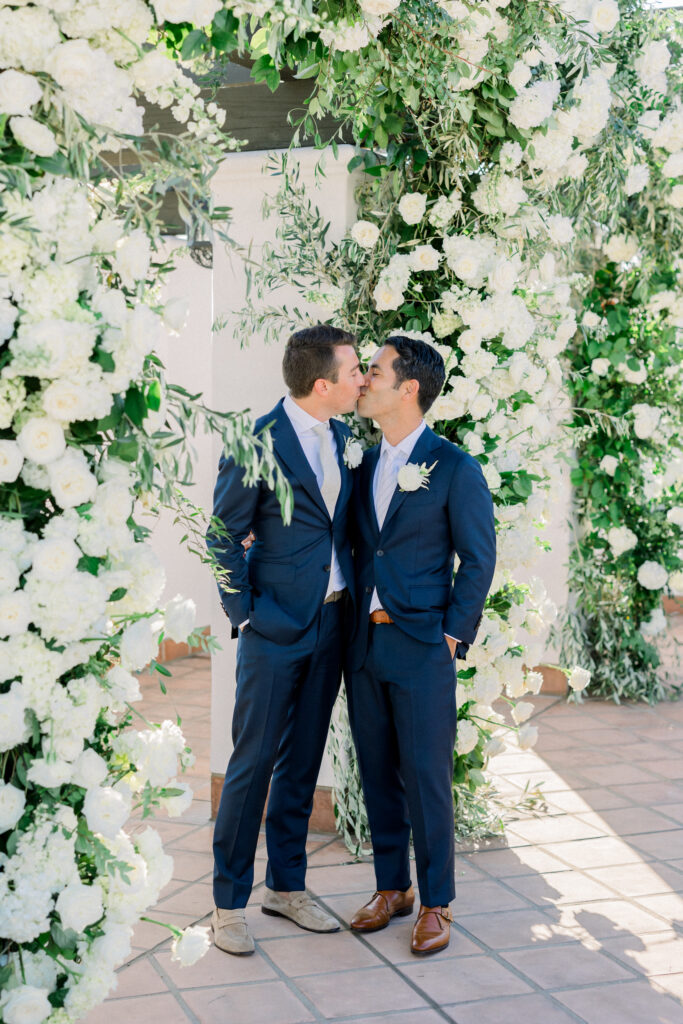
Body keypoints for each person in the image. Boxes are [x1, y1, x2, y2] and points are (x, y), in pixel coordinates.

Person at [207, 324, 364, 955]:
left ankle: (286, 886)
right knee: (250, 767)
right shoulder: (255, 443)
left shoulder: (345, 436)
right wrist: (245, 616)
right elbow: (222, 536)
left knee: (302, 761)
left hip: (331, 622)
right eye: (354, 371)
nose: (362, 380)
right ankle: (226, 904)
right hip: (273, 630)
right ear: (322, 383)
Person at [346, 336, 496, 956]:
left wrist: (450, 635)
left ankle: (437, 901)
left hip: (421, 646)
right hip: (364, 645)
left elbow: (478, 559)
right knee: (376, 771)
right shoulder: (362, 462)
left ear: (408, 388)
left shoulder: (454, 468)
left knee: (426, 776)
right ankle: (392, 888)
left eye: (374, 372)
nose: (363, 382)